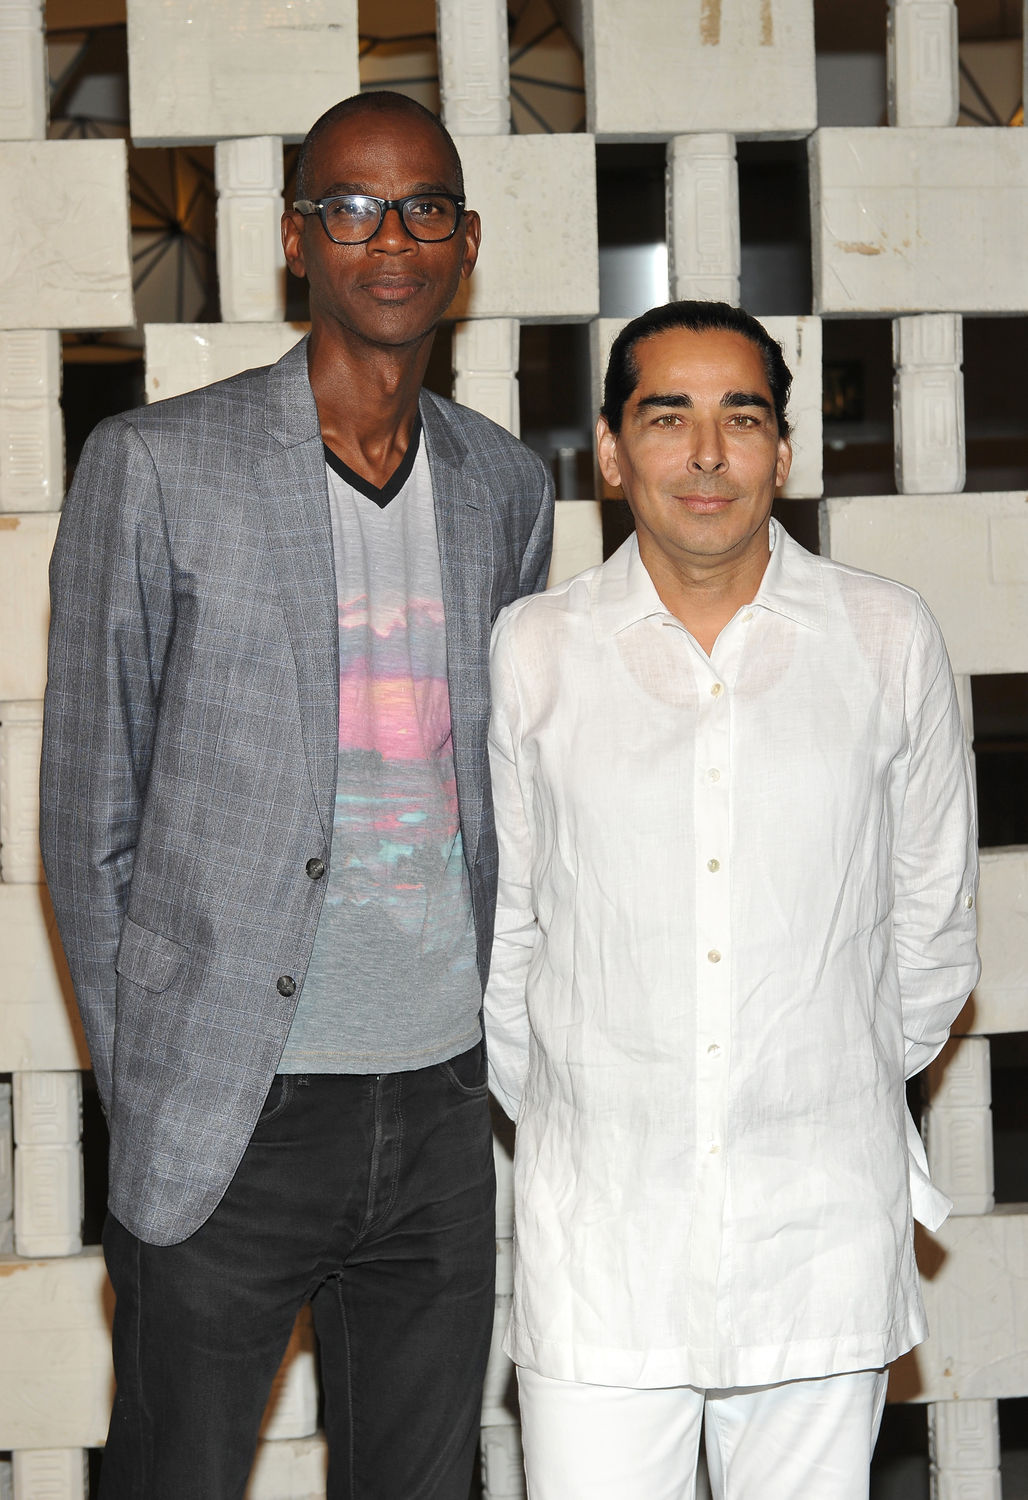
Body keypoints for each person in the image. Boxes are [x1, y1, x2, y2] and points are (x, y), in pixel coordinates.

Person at [40, 90, 553, 1499]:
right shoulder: (151, 467)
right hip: (234, 1114)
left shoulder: (505, 487)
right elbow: (85, 826)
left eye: (424, 207)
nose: (390, 238)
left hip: (443, 1112)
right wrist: (154, 1081)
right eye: (352, 206)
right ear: (295, 240)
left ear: (465, 241)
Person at [483, 300, 978, 1500]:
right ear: (608, 453)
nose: (706, 455)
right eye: (668, 417)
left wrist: (820, 1077)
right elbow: (505, 940)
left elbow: (933, 935)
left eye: (739, 417)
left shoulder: (884, 636)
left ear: (781, 453)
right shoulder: (532, 650)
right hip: (602, 1239)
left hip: (812, 1227)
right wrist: (589, 1101)